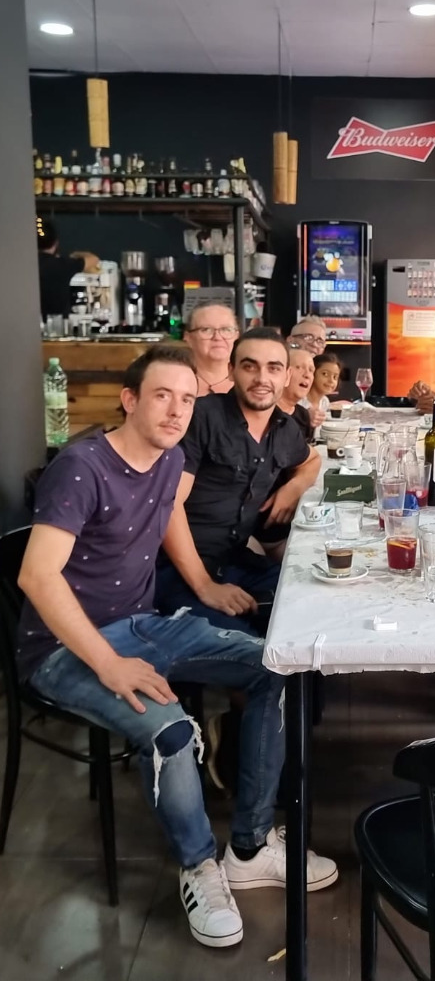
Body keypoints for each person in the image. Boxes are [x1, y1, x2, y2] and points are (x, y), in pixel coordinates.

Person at [15, 343, 337, 950]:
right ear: (129, 399)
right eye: (162, 396)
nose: (176, 411)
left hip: (142, 624)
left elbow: (168, 517)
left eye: (187, 399)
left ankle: (249, 848)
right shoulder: (81, 467)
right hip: (63, 650)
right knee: (169, 728)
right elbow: (36, 576)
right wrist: (109, 663)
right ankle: (198, 867)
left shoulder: (167, 459)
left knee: (278, 666)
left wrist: (205, 586)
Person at [155, 327, 320, 635]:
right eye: (249, 366)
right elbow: (168, 503)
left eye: (273, 368)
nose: (261, 378)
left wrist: (294, 487)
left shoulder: (284, 429)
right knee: (249, 648)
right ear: (231, 370)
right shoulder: (201, 417)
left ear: (286, 376)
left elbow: (311, 460)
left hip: (236, 562)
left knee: (316, 609)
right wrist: (205, 586)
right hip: (176, 570)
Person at [36, 216, 97, 322]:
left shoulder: (26, 266)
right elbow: (94, 259)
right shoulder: (63, 264)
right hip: (59, 325)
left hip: (31, 324)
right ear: (56, 243)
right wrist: (75, 254)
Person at [183, 303, 240, 397]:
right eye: (206, 330)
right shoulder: (175, 381)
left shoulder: (248, 382)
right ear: (188, 337)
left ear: (237, 336)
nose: (217, 337)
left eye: (226, 329)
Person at [279, 345, 316, 443]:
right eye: (299, 367)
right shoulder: (265, 414)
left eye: (311, 370)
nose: (307, 375)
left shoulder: (303, 415)